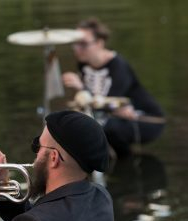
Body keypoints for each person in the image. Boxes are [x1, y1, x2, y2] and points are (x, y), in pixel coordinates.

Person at [62, 17, 165, 157]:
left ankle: (123, 160)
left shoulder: (118, 65)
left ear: (99, 43)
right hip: (113, 115)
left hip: (145, 120)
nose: (78, 49)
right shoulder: (83, 64)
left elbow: (109, 103)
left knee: (105, 127)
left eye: (83, 44)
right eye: (76, 44)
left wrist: (81, 87)